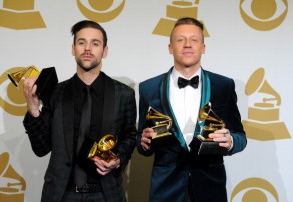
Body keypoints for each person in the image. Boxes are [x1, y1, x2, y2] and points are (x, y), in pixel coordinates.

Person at [23, 20, 137, 202]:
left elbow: (130, 135)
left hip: (106, 194)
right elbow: (41, 148)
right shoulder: (55, 93)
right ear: (73, 48)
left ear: (105, 51)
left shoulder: (124, 94)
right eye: (82, 42)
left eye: (95, 43)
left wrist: (118, 160)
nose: (87, 49)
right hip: (61, 194)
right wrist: (33, 109)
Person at [137, 17, 247, 202]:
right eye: (180, 40)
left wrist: (230, 142)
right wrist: (144, 142)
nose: (187, 45)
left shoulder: (224, 86)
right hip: (165, 190)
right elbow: (141, 141)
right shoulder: (148, 88)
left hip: (210, 188)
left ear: (203, 47)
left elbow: (240, 137)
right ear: (170, 47)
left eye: (194, 40)